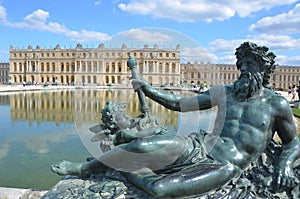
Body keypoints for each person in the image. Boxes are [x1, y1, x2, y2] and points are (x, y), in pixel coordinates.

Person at [51, 42, 300, 198]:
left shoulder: (276, 104)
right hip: (200, 146)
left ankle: (124, 168)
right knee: (141, 146)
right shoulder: (225, 92)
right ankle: (85, 168)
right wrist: (148, 90)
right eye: (242, 64)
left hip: (224, 166)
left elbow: (293, 143)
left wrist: (286, 164)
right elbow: (180, 104)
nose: (245, 70)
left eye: (252, 65)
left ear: (264, 71)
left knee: (160, 190)